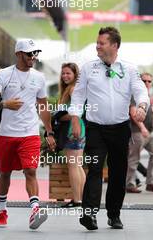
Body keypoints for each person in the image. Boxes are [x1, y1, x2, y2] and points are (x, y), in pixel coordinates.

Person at [68, 26, 149, 230]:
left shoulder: (129, 69)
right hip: (95, 128)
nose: (97, 46)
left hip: (120, 129)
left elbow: (140, 91)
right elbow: (78, 95)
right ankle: (89, 215)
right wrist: (76, 119)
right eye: (97, 43)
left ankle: (114, 215)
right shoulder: (88, 68)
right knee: (95, 169)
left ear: (114, 45)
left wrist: (141, 106)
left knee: (118, 173)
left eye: (101, 43)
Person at [0, 39, 56, 229]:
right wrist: (4, 104)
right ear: (18, 54)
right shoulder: (4, 74)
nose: (33, 57)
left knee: (31, 170)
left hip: (30, 133)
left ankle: (35, 209)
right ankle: (2, 210)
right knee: (5, 173)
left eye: (35, 53)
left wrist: (49, 132)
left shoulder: (39, 77)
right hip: (7, 134)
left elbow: (43, 106)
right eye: (29, 54)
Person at [58, 63, 86, 207]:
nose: (65, 76)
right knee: (77, 165)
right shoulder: (69, 89)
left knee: (73, 165)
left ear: (75, 75)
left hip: (73, 130)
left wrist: (59, 117)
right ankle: (80, 198)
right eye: (63, 73)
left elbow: (77, 111)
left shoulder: (73, 89)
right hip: (78, 129)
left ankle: (77, 200)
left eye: (68, 73)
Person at [126, 72, 153, 193]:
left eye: (149, 81)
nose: (147, 83)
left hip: (149, 132)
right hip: (137, 132)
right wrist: (142, 128)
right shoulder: (135, 94)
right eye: (144, 81)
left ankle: (150, 182)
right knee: (134, 158)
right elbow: (132, 112)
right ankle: (129, 184)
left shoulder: (148, 96)